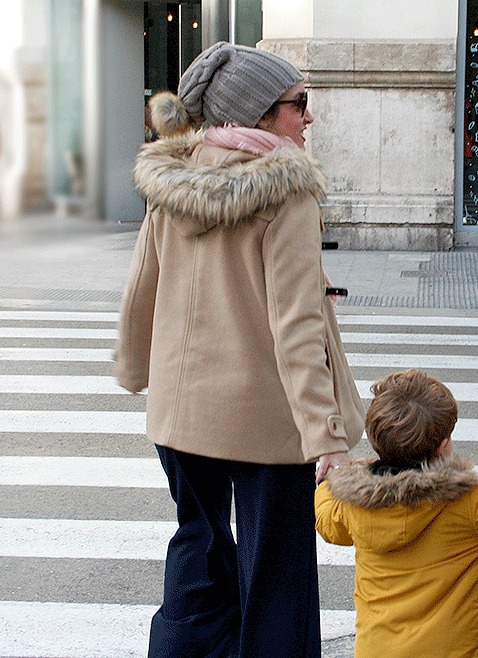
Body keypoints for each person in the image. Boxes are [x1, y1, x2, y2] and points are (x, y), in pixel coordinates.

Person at [115, 42, 356, 658]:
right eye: (298, 104)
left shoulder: (176, 177)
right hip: (263, 420)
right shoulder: (286, 191)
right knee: (278, 573)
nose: (308, 117)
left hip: (180, 412)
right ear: (259, 112)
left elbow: (144, 279)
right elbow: (295, 325)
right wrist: (325, 435)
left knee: (198, 548)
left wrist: (134, 367)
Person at [315, 369, 478, 658]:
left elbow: (326, 520)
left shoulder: (354, 506)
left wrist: (324, 484)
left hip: (377, 649)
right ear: (442, 446)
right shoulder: (467, 503)